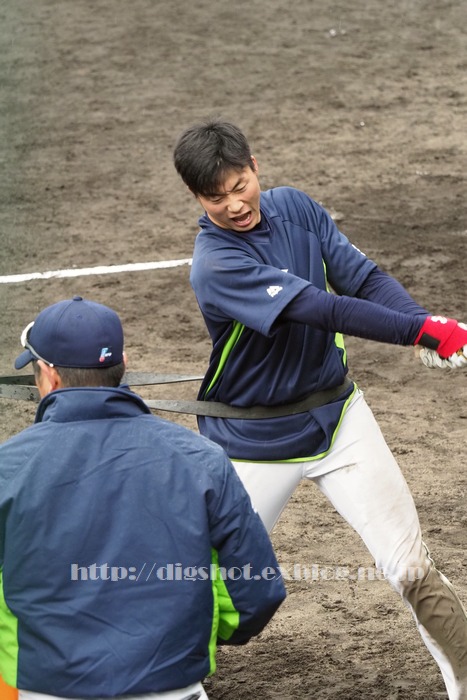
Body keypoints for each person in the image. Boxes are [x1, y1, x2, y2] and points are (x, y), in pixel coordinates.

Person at [173, 118, 467, 699]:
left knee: (410, 565)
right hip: (254, 441)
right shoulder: (216, 263)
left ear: (254, 167)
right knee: (203, 584)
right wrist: (420, 332)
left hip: (340, 420)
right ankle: (169, 687)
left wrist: (420, 322)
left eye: (240, 185)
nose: (234, 204)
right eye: (216, 197)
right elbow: (323, 309)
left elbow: (363, 277)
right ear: (196, 198)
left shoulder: (298, 209)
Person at [0, 295, 286, 700]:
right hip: (174, 686)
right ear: (124, 364)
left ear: (49, 376)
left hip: (47, 688)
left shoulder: (7, 467)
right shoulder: (201, 459)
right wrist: (192, 630)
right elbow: (256, 591)